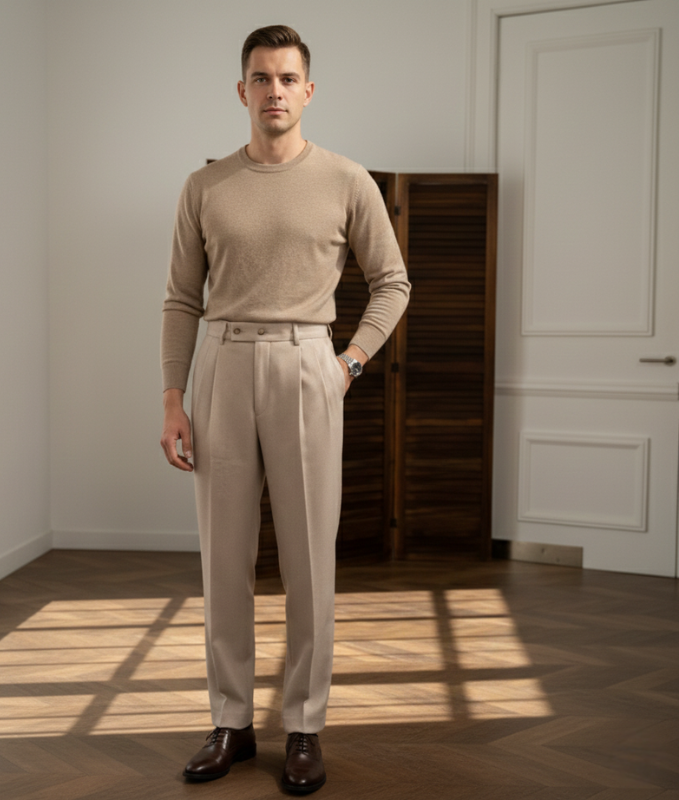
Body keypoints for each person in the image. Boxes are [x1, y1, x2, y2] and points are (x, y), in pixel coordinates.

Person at [159, 24, 410, 794]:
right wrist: (173, 398)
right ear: (243, 90)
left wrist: (348, 363)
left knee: (308, 560)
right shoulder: (205, 186)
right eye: (262, 78)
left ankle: (304, 725)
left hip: (308, 365)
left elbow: (392, 282)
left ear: (309, 90)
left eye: (288, 78)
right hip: (223, 363)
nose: (275, 91)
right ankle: (230, 722)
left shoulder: (347, 180)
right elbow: (181, 299)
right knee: (223, 559)